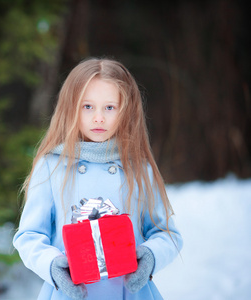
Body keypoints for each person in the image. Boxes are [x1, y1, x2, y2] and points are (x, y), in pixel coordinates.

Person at [13, 58, 183, 300]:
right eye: (88, 107)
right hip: (69, 294)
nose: (99, 118)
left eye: (110, 107)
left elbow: (167, 233)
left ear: (126, 111)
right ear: (70, 108)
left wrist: (150, 256)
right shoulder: (51, 166)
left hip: (130, 293)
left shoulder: (139, 168)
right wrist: (52, 266)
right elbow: (29, 236)